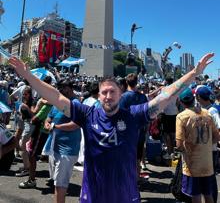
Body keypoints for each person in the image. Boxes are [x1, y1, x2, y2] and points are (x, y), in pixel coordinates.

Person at [9, 53, 214, 203]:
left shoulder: (133, 115)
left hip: (125, 193)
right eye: (104, 92)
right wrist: (28, 76)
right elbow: (55, 96)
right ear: (99, 96)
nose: (108, 96)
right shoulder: (87, 114)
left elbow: (166, 96)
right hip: (93, 193)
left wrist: (193, 74)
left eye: (112, 92)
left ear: (120, 94)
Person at [176, 87, 219, 203]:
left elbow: (179, 145)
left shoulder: (181, 117)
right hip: (207, 163)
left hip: (192, 164)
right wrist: (205, 147)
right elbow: (216, 136)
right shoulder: (206, 113)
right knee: (208, 193)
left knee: (195, 195)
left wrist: (188, 150)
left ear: (181, 102)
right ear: (193, 99)